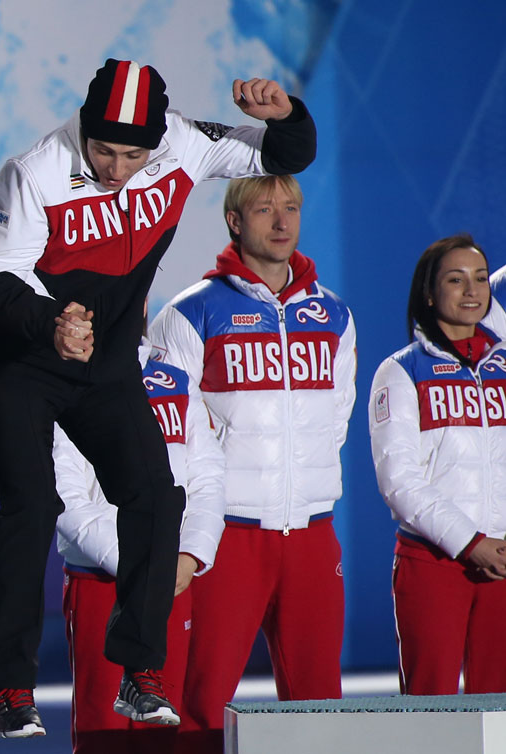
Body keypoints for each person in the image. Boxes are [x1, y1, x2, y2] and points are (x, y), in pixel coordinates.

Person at [0, 57, 316, 735]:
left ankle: (139, 672)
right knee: (33, 504)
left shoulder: (182, 141)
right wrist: (51, 322)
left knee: (156, 495)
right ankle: (12, 685)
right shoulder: (35, 169)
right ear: (83, 130)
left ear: (158, 140)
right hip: (22, 362)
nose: (117, 168)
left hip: (105, 367)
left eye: (134, 154)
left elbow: (283, 153)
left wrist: (287, 115)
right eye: (104, 150)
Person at [148, 174, 355, 754]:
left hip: (312, 536)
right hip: (227, 538)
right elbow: (170, 431)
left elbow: (335, 418)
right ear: (235, 222)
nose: (282, 222)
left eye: (291, 208)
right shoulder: (192, 312)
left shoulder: (335, 315)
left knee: (319, 704)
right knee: (200, 700)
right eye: (265, 209)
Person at [54, 327, 225, 754]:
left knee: (162, 731)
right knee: (102, 730)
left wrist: (190, 555)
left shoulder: (177, 380)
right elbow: (63, 494)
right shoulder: (57, 379)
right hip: (102, 581)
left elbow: (208, 477)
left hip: (173, 577)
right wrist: (144, 562)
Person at [370, 235, 506, 696]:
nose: (472, 290)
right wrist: (472, 543)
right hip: (434, 563)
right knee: (431, 711)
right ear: (430, 293)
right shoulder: (401, 371)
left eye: (481, 278)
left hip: (504, 564)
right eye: (456, 279)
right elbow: (399, 482)